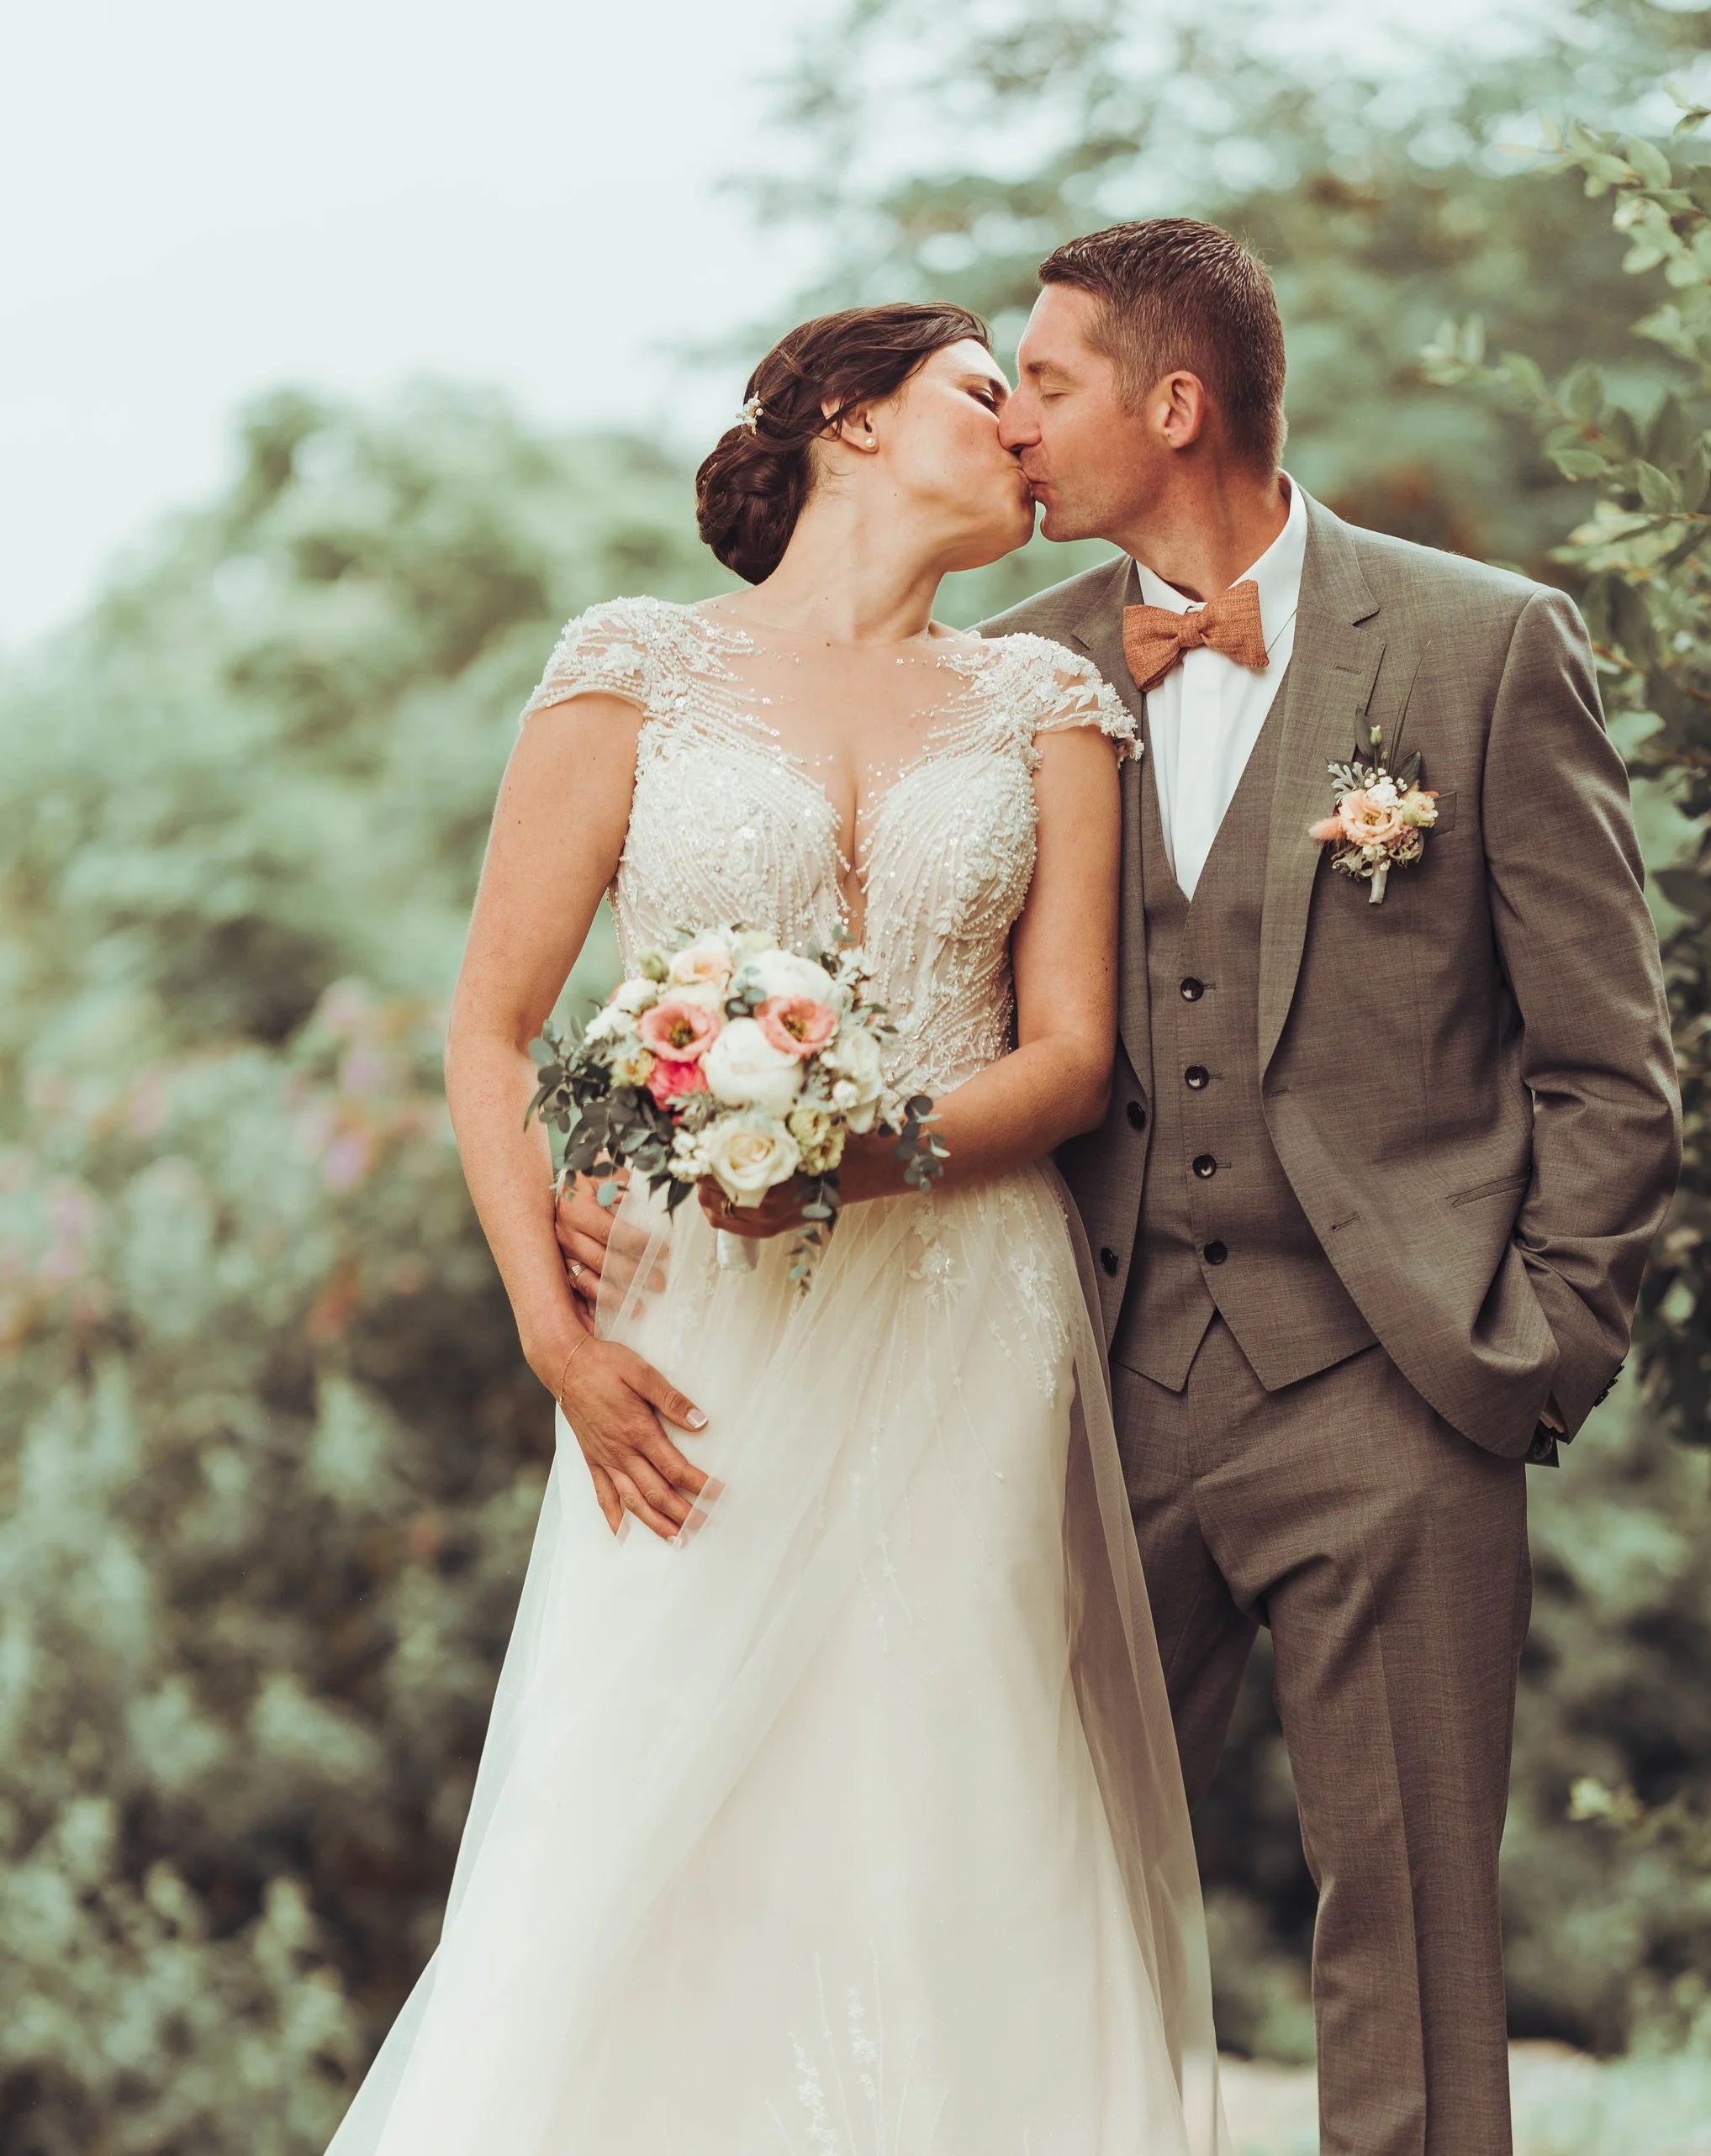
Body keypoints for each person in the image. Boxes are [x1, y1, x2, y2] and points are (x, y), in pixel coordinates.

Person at [328, 302, 1225, 2155]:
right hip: (690, 1319)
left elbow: (1065, 1062)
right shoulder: (631, 669)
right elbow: (491, 1026)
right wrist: (551, 1334)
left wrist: (839, 1151)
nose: (1025, 432)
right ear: (846, 416)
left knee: (953, 1758)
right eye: (989, 393)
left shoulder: (1050, 705)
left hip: (968, 1299)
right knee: (647, 1769)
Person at [976, 219, 1681, 2156]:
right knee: (1033, 1898)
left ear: (1172, 403)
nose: (1012, 424)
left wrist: (1528, 1349)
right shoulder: (1017, 676)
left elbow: (1605, 1059)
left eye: (1043, 384)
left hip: (1397, 1384)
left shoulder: (1478, 642)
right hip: (1100, 1391)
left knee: (1411, 1936)